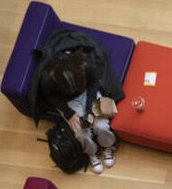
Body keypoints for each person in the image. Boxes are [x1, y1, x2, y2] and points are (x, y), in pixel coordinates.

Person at [29, 30, 125, 174]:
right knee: (80, 132)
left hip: (88, 92)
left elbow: (93, 84)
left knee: (101, 124)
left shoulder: (87, 63)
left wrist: (89, 109)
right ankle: (91, 153)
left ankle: (108, 146)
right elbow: (52, 97)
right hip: (67, 102)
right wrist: (68, 114)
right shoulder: (47, 77)